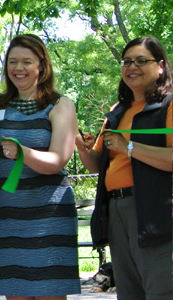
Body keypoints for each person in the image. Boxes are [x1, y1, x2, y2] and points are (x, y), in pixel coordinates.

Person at [0, 34, 80, 299]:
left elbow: (58, 161)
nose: (18, 68)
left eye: (26, 62)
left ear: (41, 65)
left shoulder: (59, 105)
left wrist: (24, 153)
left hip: (49, 218)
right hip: (9, 218)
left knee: (48, 293)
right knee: (15, 292)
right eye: (12, 62)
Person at [76, 36, 172, 300]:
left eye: (142, 60)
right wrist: (84, 149)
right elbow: (98, 164)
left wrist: (128, 146)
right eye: (127, 61)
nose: (133, 66)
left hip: (154, 211)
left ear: (161, 66)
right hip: (116, 210)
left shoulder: (168, 104)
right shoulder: (117, 111)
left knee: (161, 289)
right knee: (129, 292)